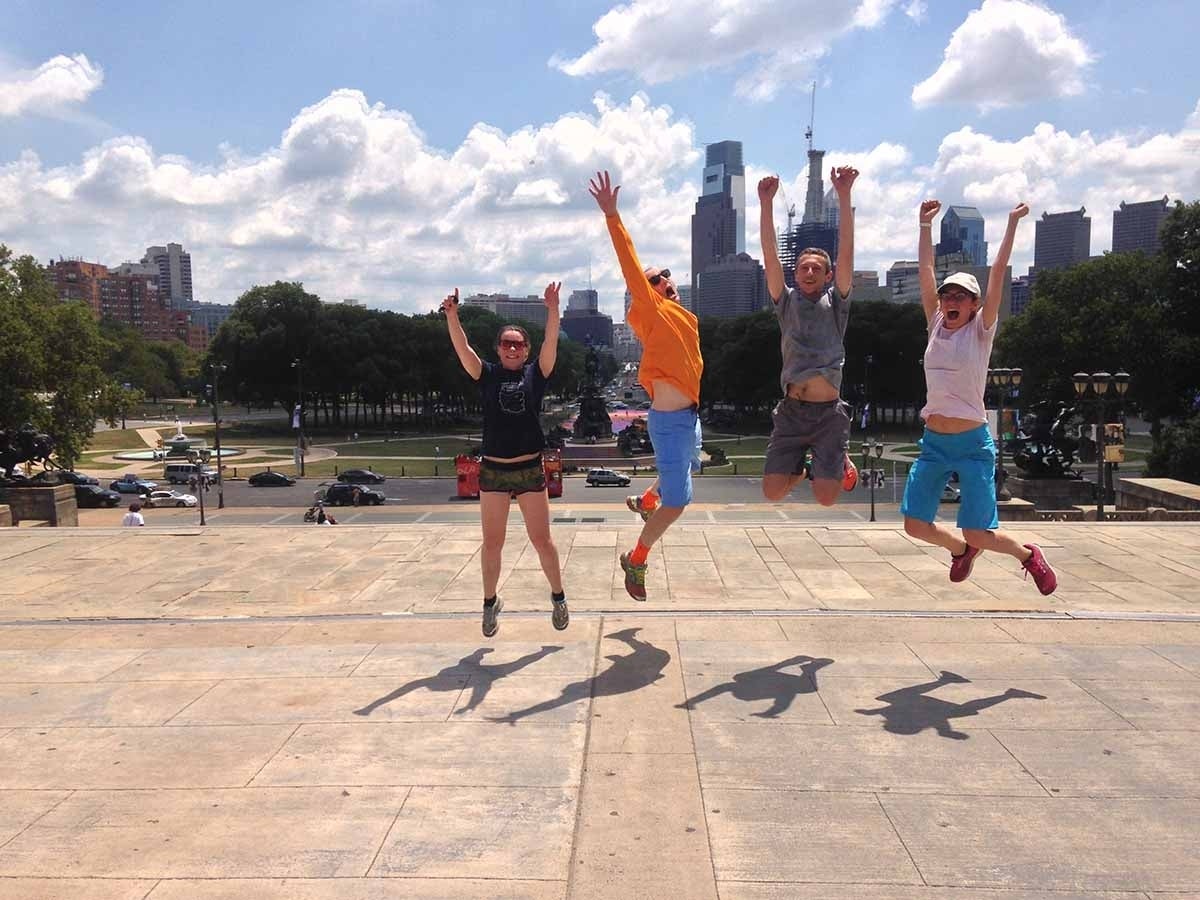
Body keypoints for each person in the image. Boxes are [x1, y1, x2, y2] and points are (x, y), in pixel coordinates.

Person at [900, 199, 1056, 595]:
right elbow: (925, 271)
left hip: (971, 444)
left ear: (974, 305)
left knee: (979, 530)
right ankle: (959, 552)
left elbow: (999, 272)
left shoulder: (980, 331)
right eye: (946, 296)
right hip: (934, 442)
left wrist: (1011, 224)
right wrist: (923, 226)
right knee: (915, 525)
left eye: (960, 297)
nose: (951, 301)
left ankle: (1028, 556)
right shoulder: (935, 324)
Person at [590, 170, 703, 601]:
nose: (665, 281)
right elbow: (630, 264)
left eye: (667, 277)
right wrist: (613, 216)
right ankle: (636, 558)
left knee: (691, 465)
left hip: (689, 417)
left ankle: (647, 501)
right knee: (681, 502)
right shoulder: (652, 313)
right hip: (670, 421)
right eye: (656, 279)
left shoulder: (685, 318)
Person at [443, 282, 568, 636]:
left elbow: (551, 343)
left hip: (529, 470)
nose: (513, 348)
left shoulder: (536, 374)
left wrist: (553, 310)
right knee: (492, 543)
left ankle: (558, 597)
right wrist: (453, 315)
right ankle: (489, 603)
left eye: (518, 344)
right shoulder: (488, 375)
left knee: (542, 541)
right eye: (506, 343)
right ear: (498, 349)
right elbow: (462, 349)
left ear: (526, 350)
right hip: (495, 471)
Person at [758, 167, 860, 505]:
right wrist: (765, 204)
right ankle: (801, 467)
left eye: (818, 268)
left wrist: (844, 196)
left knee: (827, 498)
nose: (810, 271)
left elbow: (846, 254)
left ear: (829, 275)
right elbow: (770, 257)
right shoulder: (785, 302)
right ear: (796, 274)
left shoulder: (836, 304)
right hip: (791, 411)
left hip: (828, 413)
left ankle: (838, 458)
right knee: (772, 493)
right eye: (804, 267)